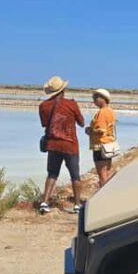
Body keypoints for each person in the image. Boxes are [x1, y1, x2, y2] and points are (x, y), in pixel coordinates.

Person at [38, 76, 84, 214]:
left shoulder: (43, 106)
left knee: (52, 174)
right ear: (63, 90)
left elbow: (45, 124)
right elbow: (81, 122)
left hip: (53, 145)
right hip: (70, 145)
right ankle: (77, 205)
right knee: (75, 176)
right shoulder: (72, 104)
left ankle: (45, 202)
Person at [88, 88, 117, 188]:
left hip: (100, 146)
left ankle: (103, 198)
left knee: (102, 174)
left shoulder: (102, 112)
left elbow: (101, 130)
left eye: (96, 97)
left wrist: (89, 131)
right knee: (106, 172)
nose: (94, 100)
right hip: (109, 145)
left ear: (103, 99)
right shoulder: (110, 111)